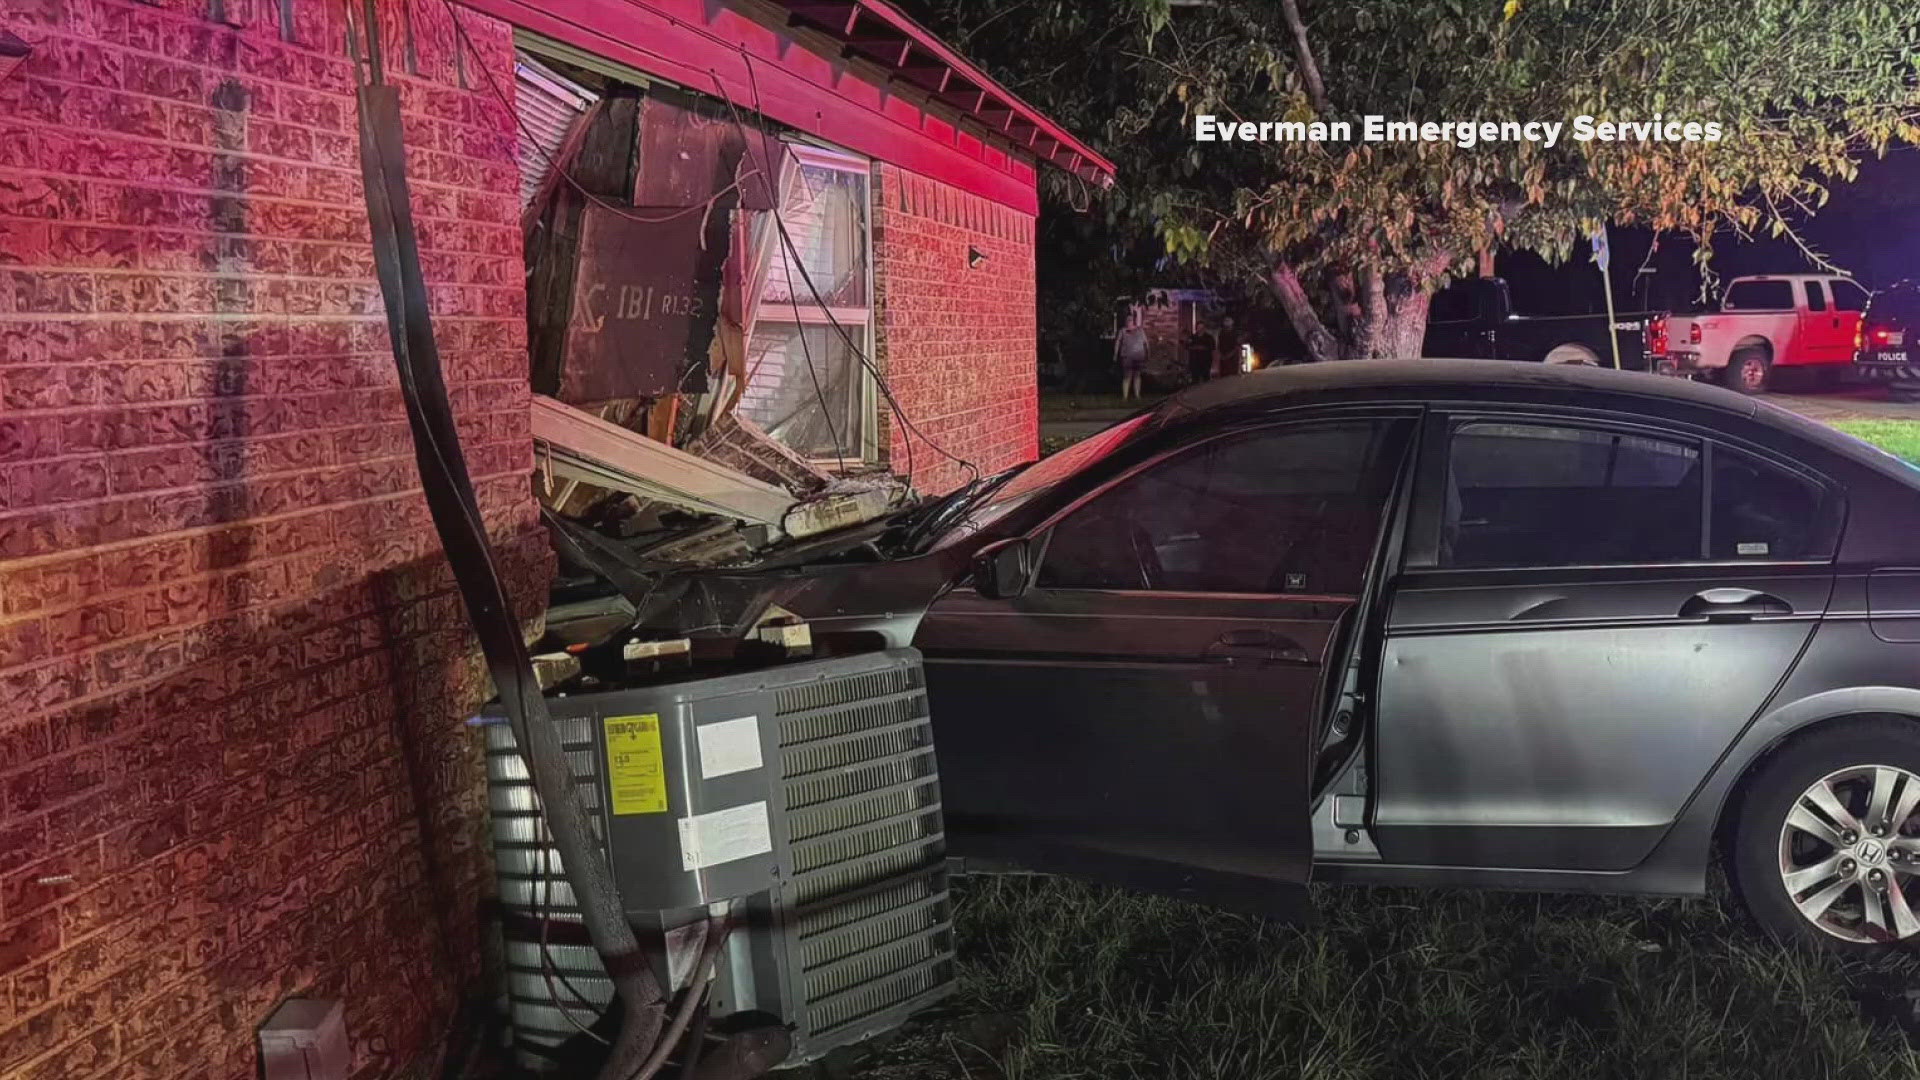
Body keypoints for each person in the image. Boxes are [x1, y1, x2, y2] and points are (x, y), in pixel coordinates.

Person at [1115, 310, 1148, 400]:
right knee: (1127, 376)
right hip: (1127, 357)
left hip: (1139, 356)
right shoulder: (1123, 331)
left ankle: (1137, 395)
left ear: (1133, 321)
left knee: (1137, 376)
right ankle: (1125, 397)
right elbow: (1118, 342)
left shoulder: (1140, 330)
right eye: (1127, 320)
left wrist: (1147, 353)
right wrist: (1115, 354)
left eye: (1130, 320)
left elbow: (1146, 343)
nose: (1129, 321)